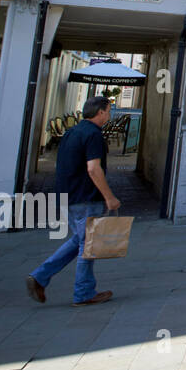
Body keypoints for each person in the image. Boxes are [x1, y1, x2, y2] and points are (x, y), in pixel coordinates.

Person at [26, 96, 120, 306]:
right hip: (85, 197)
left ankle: (40, 277)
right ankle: (84, 293)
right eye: (108, 110)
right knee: (88, 245)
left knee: (80, 240)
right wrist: (109, 197)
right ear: (101, 112)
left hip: (67, 196)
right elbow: (93, 169)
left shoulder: (72, 132)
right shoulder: (93, 135)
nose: (109, 114)